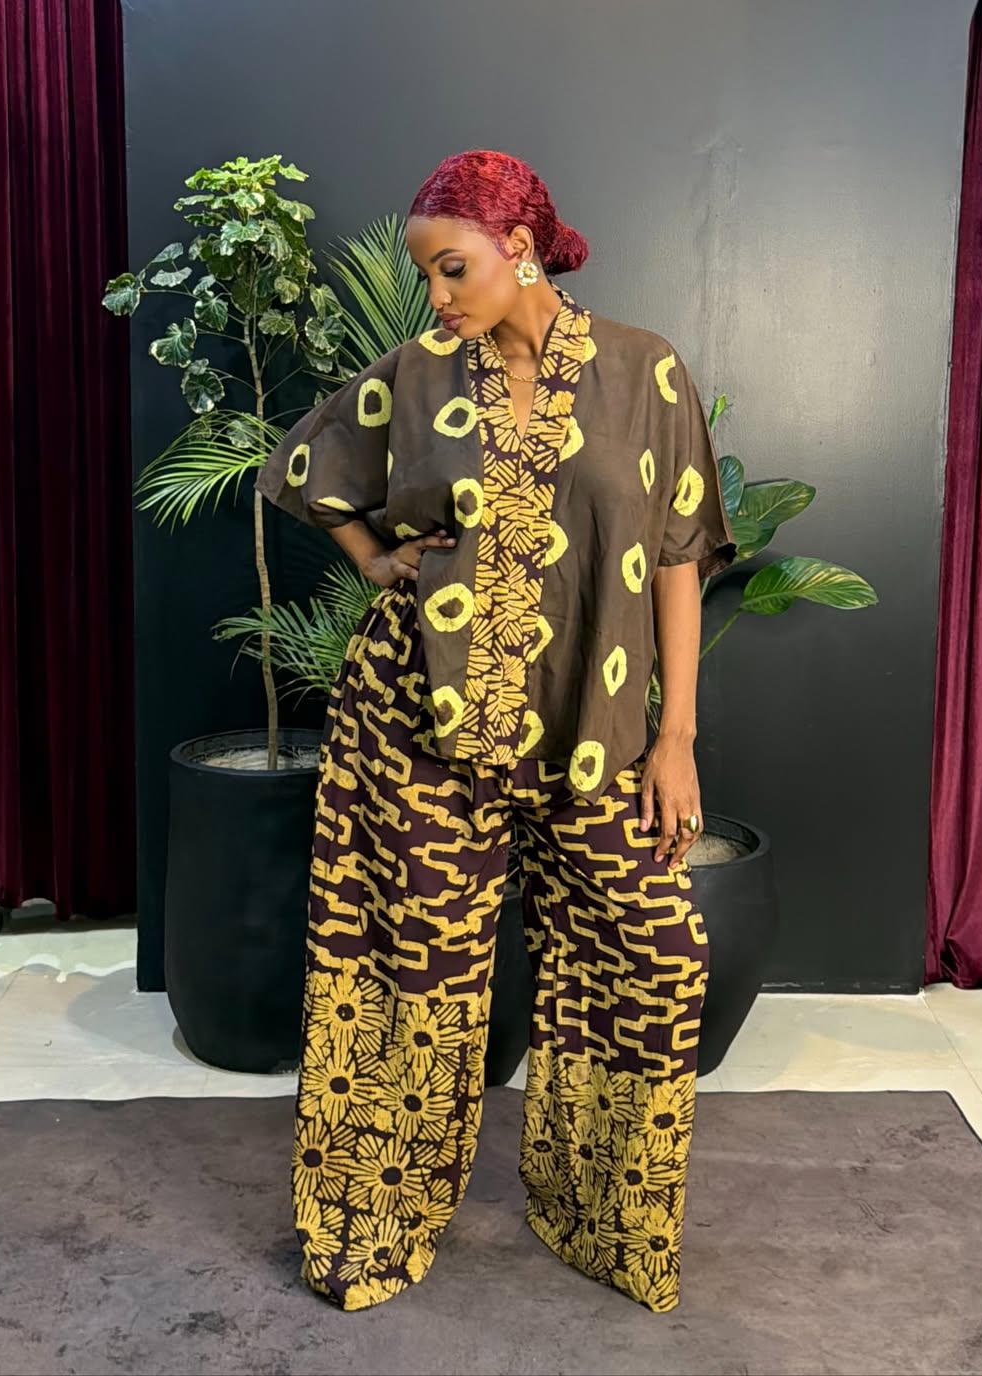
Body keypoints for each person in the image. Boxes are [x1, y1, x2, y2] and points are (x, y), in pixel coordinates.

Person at [256, 149, 737, 1314]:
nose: (436, 295)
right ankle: (374, 1227)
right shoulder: (420, 375)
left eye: (451, 268)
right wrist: (377, 558)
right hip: (419, 726)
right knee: (408, 974)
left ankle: (602, 1220)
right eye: (426, 273)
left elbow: (679, 554)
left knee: (650, 958)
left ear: (520, 250)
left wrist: (675, 738)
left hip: (593, 729)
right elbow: (306, 469)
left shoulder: (644, 371)